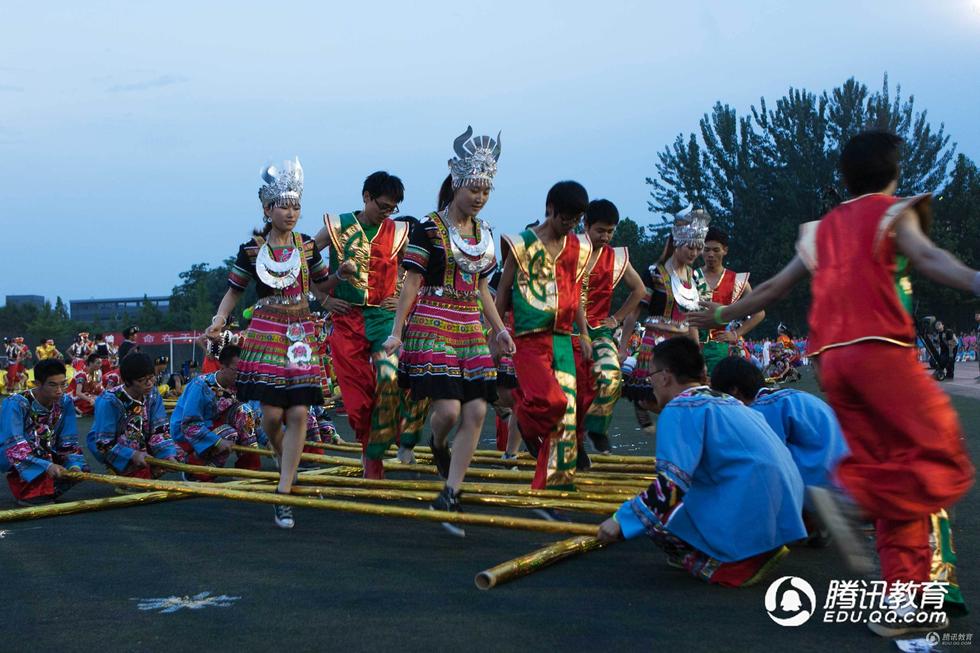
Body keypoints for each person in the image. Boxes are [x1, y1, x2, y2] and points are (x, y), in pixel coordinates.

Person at [689, 130, 976, 636]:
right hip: (881, 354)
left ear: (844, 177)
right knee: (937, 452)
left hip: (832, 366)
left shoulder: (819, 231)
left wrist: (722, 313)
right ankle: (849, 500)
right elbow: (929, 259)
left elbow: (776, 288)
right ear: (894, 174)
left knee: (891, 466)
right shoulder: (894, 213)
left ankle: (902, 601)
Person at [207, 158, 353, 529]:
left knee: (300, 412)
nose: (291, 213)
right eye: (284, 206)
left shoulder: (306, 247)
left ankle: (284, 492)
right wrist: (219, 319)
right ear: (267, 208)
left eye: (296, 206)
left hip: (301, 330)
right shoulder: (252, 250)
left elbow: (321, 287)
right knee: (271, 417)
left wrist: (341, 274)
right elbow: (234, 291)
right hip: (267, 330)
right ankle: (281, 453)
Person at [385, 126, 513, 533]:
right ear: (456, 183)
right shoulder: (428, 228)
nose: (479, 197)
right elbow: (410, 283)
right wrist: (396, 331)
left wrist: (498, 330)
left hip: (470, 326)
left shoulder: (483, 234)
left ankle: (451, 491)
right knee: (449, 409)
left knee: (477, 408)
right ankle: (438, 441)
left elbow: (481, 287)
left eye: (485, 190)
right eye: (473, 188)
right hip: (432, 322)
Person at [596, 338, 805, 587]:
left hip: (753, 504)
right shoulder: (727, 401)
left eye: (650, 374)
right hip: (786, 502)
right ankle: (753, 545)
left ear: (664, 376)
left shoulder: (680, 408)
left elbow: (671, 484)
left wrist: (621, 520)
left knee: (656, 517)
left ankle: (733, 563)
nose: (649, 381)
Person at [313, 170, 410, 479]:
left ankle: (395, 425)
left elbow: (415, 272)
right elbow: (302, 262)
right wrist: (324, 300)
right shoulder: (337, 227)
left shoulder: (398, 232)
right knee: (356, 404)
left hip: (383, 318)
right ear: (366, 197)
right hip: (346, 320)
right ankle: (373, 460)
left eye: (392, 207)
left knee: (389, 376)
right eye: (382, 205)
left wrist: (402, 299)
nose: (387, 213)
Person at [496, 180, 592, 492]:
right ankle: (523, 418)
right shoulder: (521, 245)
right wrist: (497, 332)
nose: (570, 225)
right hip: (529, 338)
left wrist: (585, 334)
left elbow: (577, 294)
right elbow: (503, 291)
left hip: (564, 337)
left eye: (576, 219)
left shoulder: (579, 247)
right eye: (566, 218)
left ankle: (556, 483)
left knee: (568, 409)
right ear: (550, 210)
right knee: (549, 401)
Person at [709, 356, 847, 542]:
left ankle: (811, 518)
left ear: (734, 391)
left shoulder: (762, 409)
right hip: (843, 477)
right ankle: (815, 519)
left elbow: (766, 462)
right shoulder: (785, 397)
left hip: (824, 485)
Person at [622, 207, 709, 426]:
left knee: (684, 396)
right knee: (660, 397)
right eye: (690, 247)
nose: (694, 253)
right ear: (677, 244)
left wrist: (697, 354)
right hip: (656, 342)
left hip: (681, 343)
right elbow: (635, 311)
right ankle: (643, 405)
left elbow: (692, 320)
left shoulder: (694, 278)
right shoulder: (655, 273)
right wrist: (623, 346)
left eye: (698, 248)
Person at [577, 199, 645, 456]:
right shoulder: (569, 250)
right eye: (600, 231)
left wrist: (616, 318)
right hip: (565, 329)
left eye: (610, 231)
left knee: (610, 374)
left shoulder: (616, 258)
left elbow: (639, 290)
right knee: (571, 389)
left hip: (598, 330)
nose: (606, 236)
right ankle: (573, 443)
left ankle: (597, 428)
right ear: (586, 226)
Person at [0, 359, 87, 505]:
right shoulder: (16, 403)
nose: (59, 390)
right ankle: (30, 492)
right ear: (37, 384)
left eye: (63, 384)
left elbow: (68, 440)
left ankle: (43, 491)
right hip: (20, 456)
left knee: (78, 468)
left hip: (48, 454)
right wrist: (46, 466)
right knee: (18, 456)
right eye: (53, 384)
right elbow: (13, 446)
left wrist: (73, 465)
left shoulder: (65, 401)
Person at [170, 344, 261, 480]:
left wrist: (270, 438)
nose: (242, 375)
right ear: (222, 366)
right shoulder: (201, 386)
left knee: (245, 411)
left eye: (245, 371)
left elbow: (255, 416)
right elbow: (188, 425)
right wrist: (217, 441)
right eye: (237, 370)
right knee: (228, 434)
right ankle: (195, 469)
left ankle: (247, 467)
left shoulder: (239, 386)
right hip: (188, 435)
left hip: (217, 426)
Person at [88, 352, 180, 480]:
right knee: (133, 430)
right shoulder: (109, 400)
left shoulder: (152, 394)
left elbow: (159, 429)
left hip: (141, 439)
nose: (149, 383)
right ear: (128, 381)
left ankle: (143, 469)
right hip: (108, 443)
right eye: (142, 380)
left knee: (177, 452)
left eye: (151, 377)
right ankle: (122, 468)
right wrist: (132, 455)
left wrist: (168, 455)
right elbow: (103, 443)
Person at [698, 227, 764, 374]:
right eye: (706, 249)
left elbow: (759, 313)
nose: (710, 255)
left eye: (716, 250)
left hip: (723, 350)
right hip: (692, 349)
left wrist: (736, 334)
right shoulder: (691, 278)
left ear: (725, 250)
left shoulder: (737, 281)